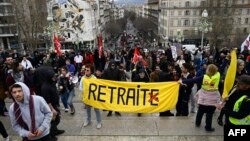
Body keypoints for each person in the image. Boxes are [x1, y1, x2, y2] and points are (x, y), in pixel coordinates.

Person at [180, 64, 221, 132]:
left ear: (208, 70)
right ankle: (208, 127)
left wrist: (182, 81)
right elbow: (221, 68)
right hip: (213, 98)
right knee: (209, 113)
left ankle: (197, 123)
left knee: (200, 111)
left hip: (204, 97)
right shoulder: (218, 75)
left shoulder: (203, 77)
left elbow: (193, 80)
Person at [79, 64, 102, 129]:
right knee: (87, 111)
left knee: (96, 110)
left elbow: (97, 87)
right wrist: (85, 90)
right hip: (86, 98)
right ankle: (88, 120)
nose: (86, 71)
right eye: (85, 70)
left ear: (91, 71)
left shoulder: (94, 78)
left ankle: (99, 122)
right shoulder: (82, 78)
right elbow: (80, 87)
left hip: (94, 98)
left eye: (87, 70)